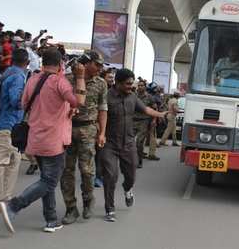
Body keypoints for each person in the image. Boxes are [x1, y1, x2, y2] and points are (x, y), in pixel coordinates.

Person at [0, 47, 87, 233]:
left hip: (35, 137)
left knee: (46, 179)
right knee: (49, 182)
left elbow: (23, 104)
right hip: (53, 140)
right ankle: (13, 206)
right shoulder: (59, 82)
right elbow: (78, 101)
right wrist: (80, 77)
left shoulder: (32, 80)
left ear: (43, 62)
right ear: (61, 63)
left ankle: (51, 220)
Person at [100, 68, 166, 222]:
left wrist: (161, 114)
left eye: (132, 83)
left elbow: (146, 109)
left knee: (131, 175)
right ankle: (110, 209)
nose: (131, 86)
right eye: (128, 84)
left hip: (128, 143)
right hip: (109, 143)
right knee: (111, 176)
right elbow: (99, 115)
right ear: (117, 83)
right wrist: (100, 134)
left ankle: (127, 189)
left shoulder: (132, 97)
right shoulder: (106, 97)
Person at [60, 51, 107, 224]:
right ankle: (70, 208)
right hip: (67, 128)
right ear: (87, 63)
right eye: (98, 64)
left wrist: (102, 133)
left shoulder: (101, 83)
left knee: (87, 171)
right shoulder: (66, 79)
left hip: (88, 129)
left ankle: (88, 200)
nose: (100, 68)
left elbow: (103, 109)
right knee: (66, 171)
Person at [0, 48, 28, 211]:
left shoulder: (7, 73)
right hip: (8, 124)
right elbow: (16, 100)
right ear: (27, 63)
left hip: (1, 122)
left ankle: (3, 198)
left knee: (9, 161)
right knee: (3, 162)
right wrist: (28, 97)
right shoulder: (18, 76)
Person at [133, 80, 153, 168]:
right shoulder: (133, 95)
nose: (140, 87)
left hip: (143, 121)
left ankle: (139, 161)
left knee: (139, 142)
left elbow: (154, 109)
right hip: (133, 120)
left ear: (145, 87)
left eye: (142, 85)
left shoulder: (149, 97)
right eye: (139, 85)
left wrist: (154, 121)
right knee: (129, 142)